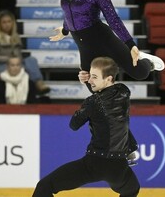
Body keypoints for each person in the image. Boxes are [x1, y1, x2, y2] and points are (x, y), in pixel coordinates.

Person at [49, 0, 164, 84]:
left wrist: (130, 44)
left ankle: (147, 62)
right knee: (91, 84)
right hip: (83, 44)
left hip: (102, 38)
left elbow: (113, 19)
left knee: (139, 73)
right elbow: (69, 11)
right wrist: (64, 30)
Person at [33, 57, 140, 197]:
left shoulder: (92, 102)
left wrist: (84, 109)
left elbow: (74, 125)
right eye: (90, 76)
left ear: (108, 79)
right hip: (118, 166)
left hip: (95, 164)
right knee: (131, 189)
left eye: (94, 77)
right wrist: (90, 82)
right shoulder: (124, 92)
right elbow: (105, 94)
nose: (90, 80)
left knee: (45, 186)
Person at [0, 10, 50, 94]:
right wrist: (8, 59)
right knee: (20, 69)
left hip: (14, 63)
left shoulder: (16, 36)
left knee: (31, 60)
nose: (7, 24)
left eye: (9, 22)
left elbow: (19, 57)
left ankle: (39, 83)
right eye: (4, 22)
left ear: (13, 23)